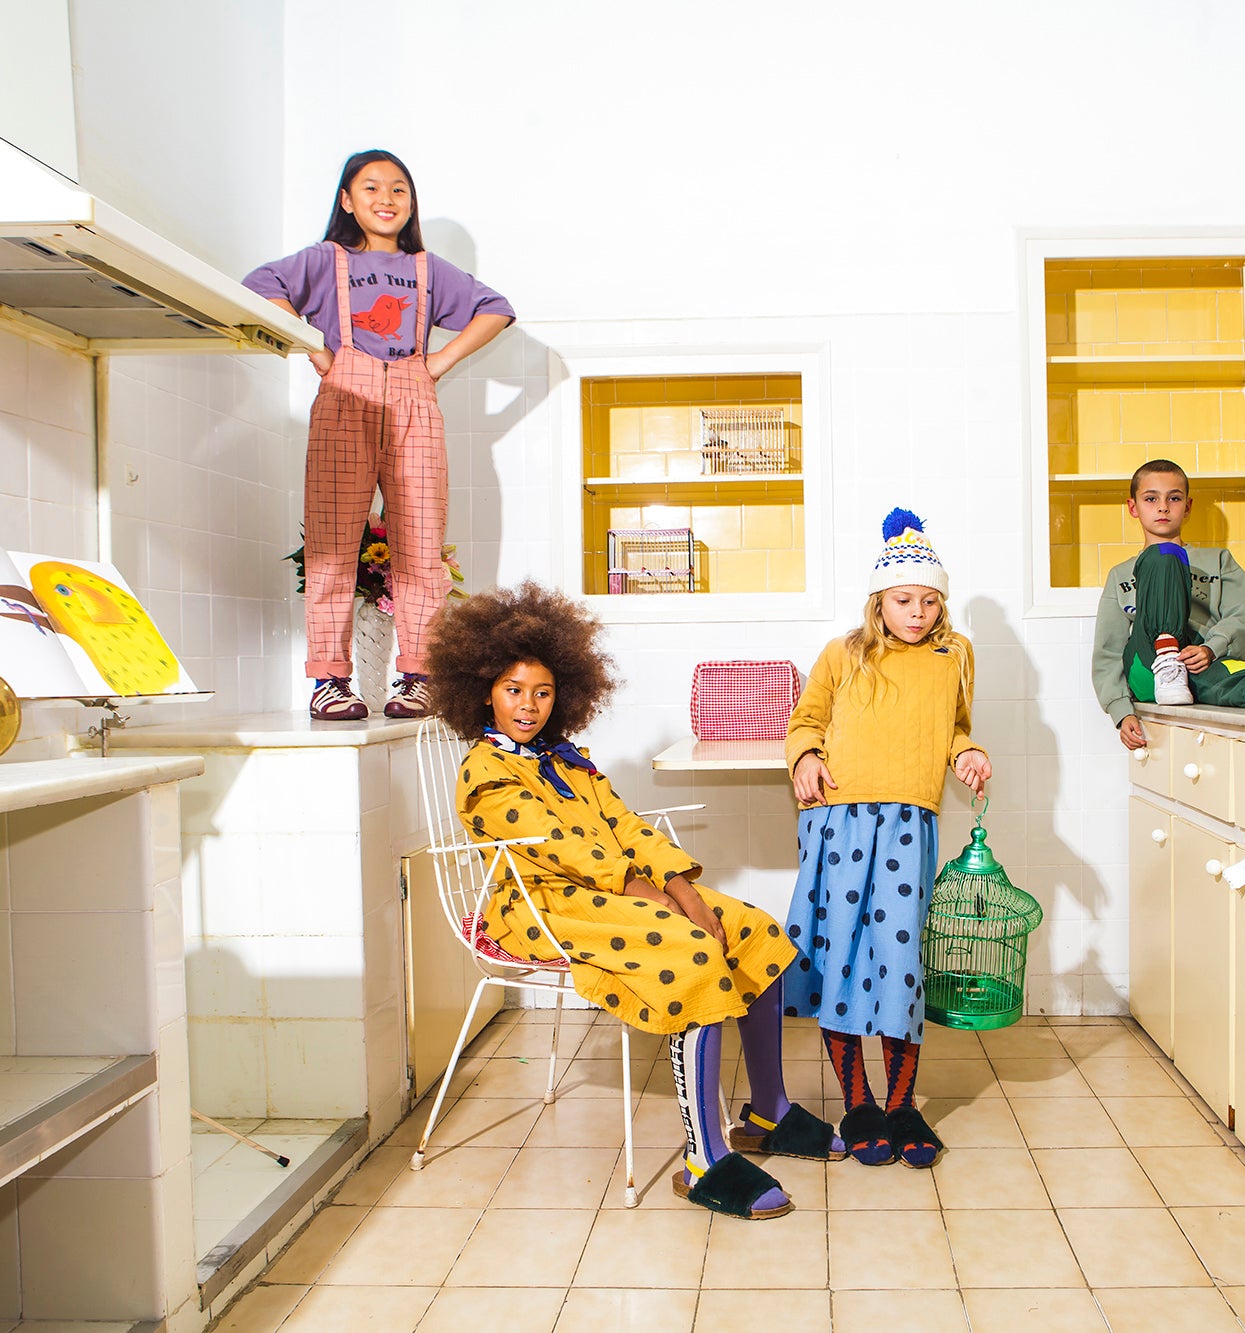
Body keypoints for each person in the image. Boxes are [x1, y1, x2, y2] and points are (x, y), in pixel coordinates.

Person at [428, 581, 844, 1220]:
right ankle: (704, 1159)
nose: (529, 706)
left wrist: (680, 887)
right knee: (692, 953)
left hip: (617, 892)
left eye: (543, 692)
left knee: (755, 929)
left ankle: (768, 1113)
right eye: (513, 690)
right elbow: (562, 849)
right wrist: (651, 894)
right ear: (484, 690)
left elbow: (624, 827)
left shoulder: (568, 760)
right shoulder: (485, 772)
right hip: (543, 907)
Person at [246, 149, 515, 721]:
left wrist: (438, 362)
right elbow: (260, 285)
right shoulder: (326, 260)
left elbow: (496, 308)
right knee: (331, 546)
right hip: (347, 394)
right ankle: (329, 681)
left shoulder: (427, 269)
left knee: (421, 547)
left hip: (415, 397)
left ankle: (419, 677)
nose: (386, 199)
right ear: (347, 200)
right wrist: (316, 350)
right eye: (371, 187)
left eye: (398, 189)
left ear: (410, 203)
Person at [782, 509, 992, 1169]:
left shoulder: (954, 655)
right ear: (879, 600)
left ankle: (901, 1105)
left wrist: (966, 753)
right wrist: (804, 756)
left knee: (899, 961)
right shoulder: (843, 652)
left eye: (930, 600)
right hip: (838, 819)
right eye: (904, 600)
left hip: (909, 823)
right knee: (841, 954)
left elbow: (955, 725)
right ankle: (859, 1103)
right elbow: (806, 719)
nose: (918, 612)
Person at [1091, 460, 1245, 750]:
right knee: (1163, 556)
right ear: (1133, 507)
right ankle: (1168, 658)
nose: (1163, 507)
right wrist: (1121, 710)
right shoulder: (1121, 575)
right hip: (1148, 666)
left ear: (1187, 506)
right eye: (1151, 499)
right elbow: (1109, 649)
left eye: (1174, 498)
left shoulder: (1219, 561)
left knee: (1234, 676)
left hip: (1203, 664)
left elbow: (1240, 617)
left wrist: (1210, 649)